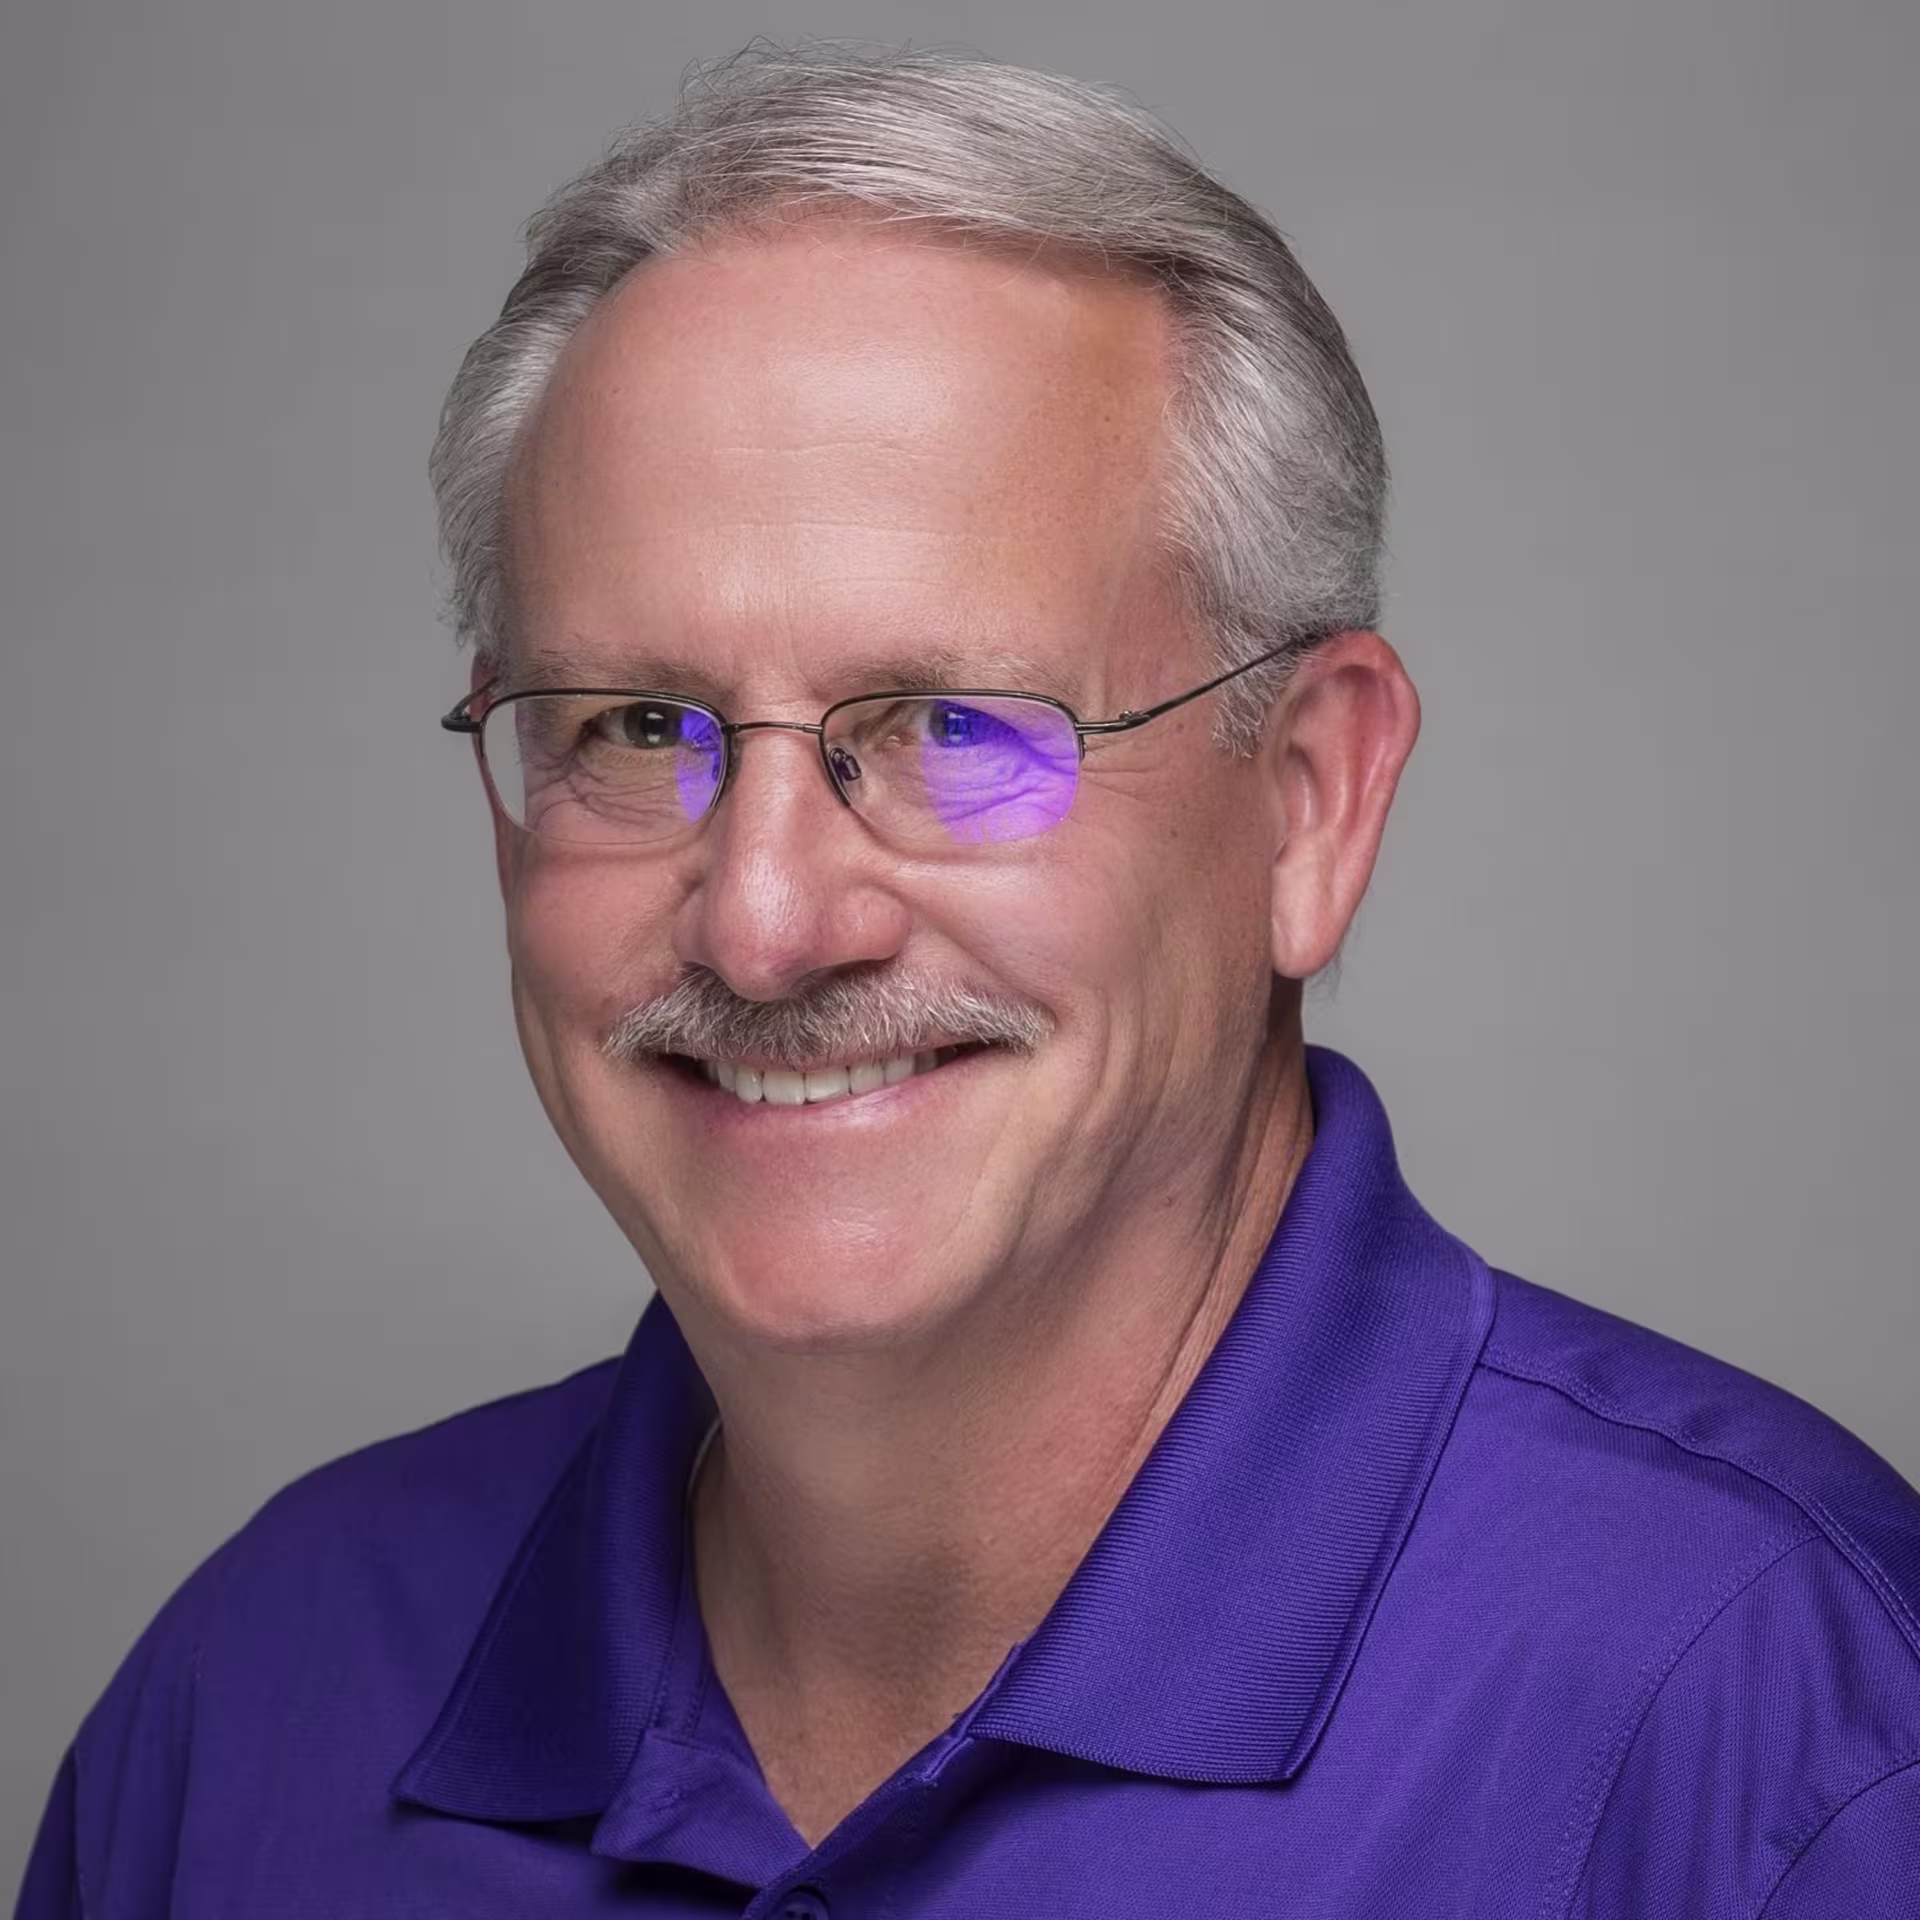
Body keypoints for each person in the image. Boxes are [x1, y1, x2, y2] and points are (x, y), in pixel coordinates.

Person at [17, 42, 1920, 1919]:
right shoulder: (254, 1706)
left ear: (1310, 803)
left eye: (948, 726)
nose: (765, 922)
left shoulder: (1777, 1743)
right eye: (635, 723)